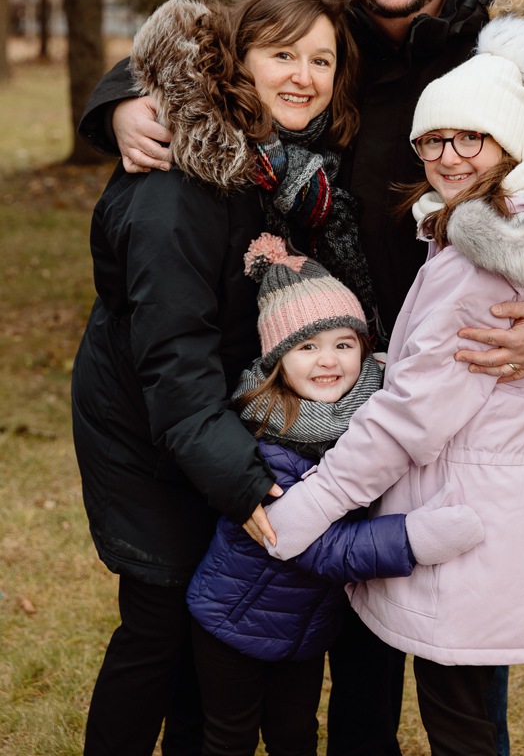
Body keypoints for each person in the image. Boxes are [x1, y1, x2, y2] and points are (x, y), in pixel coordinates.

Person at [78, 0, 524, 756]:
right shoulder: (324, 33)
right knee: (356, 638)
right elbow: (209, 57)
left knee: (457, 645)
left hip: (449, 389)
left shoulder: (509, 61)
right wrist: (119, 100)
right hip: (327, 389)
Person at [264, 15, 524, 755]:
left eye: (467, 139)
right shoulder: (482, 231)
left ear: (509, 146)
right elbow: (438, 377)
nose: (446, 156)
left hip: (467, 516)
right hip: (483, 503)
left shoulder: (481, 261)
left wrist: (312, 507)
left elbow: (412, 418)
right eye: (432, 140)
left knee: (461, 727)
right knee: (464, 715)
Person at [72, 0, 379, 756]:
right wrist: (244, 484)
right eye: (282, 55)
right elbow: (172, 361)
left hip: (199, 418)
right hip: (146, 427)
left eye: (321, 58)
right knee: (158, 620)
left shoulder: (268, 164)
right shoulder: (179, 185)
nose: (305, 75)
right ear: (235, 60)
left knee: (198, 619)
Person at [186, 233, 484, 755]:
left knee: (295, 733)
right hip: (232, 621)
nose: (329, 361)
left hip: (305, 633)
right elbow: (315, 544)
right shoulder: (265, 440)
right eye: (307, 347)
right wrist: (412, 541)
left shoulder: (363, 420)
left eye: (344, 344)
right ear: (277, 360)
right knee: (228, 738)